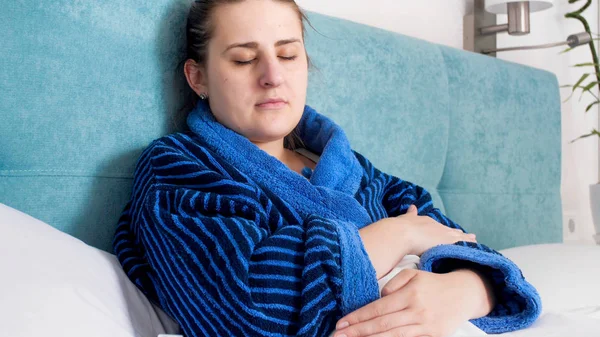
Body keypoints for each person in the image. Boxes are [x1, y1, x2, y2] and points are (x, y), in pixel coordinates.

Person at [113, 1, 542, 336]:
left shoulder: (350, 169)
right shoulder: (175, 168)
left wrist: (467, 291)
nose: (272, 76)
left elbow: (464, 242)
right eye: (244, 59)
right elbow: (246, 310)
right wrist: (400, 233)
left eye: (287, 54)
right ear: (198, 77)